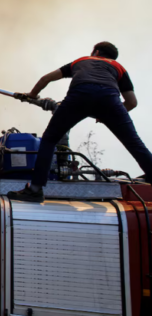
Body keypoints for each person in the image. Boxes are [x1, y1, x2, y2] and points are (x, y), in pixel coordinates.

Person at [8, 41, 152, 202]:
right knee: (135, 144)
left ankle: (35, 190)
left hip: (79, 97)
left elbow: (46, 78)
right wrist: (107, 115)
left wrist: (32, 95)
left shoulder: (81, 61)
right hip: (109, 101)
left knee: (49, 140)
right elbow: (132, 102)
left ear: (96, 52)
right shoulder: (119, 68)